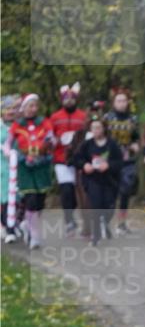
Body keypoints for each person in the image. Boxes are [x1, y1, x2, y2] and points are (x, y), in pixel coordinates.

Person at [9, 94, 54, 249]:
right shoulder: (17, 125)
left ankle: (27, 224)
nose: (34, 109)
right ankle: (34, 235)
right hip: (25, 167)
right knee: (31, 200)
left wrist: (49, 144)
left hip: (41, 165)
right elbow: (9, 144)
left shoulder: (44, 122)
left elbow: (51, 138)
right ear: (24, 108)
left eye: (36, 105)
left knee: (40, 201)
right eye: (30, 105)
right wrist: (12, 154)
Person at [73, 118, 122, 245]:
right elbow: (77, 159)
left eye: (98, 127)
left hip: (110, 181)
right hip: (92, 180)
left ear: (104, 129)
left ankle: (104, 222)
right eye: (93, 128)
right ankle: (96, 236)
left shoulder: (112, 145)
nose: (96, 130)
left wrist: (108, 165)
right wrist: (84, 165)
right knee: (95, 205)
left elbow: (120, 162)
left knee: (109, 207)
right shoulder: (86, 145)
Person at [50, 82, 87, 233]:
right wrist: (56, 141)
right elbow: (49, 137)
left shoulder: (83, 116)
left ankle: (83, 218)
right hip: (61, 159)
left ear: (76, 99)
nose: (69, 101)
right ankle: (69, 220)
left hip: (79, 159)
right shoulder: (55, 117)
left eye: (72, 98)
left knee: (80, 190)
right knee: (66, 190)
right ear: (62, 100)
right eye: (66, 98)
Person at [104, 89, 140, 233]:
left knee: (125, 191)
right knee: (111, 193)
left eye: (124, 101)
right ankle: (105, 221)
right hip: (110, 160)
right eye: (119, 101)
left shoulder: (133, 119)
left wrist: (135, 145)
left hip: (127, 159)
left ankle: (122, 223)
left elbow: (136, 137)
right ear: (114, 103)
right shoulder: (107, 118)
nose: (122, 103)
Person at [1, 95, 21, 244]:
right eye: (7, 109)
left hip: (20, 167)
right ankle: (8, 228)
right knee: (6, 198)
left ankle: (15, 224)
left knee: (19, 198)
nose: (10, 112)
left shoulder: (20, 126)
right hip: (2, 168)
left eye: (13, 109)